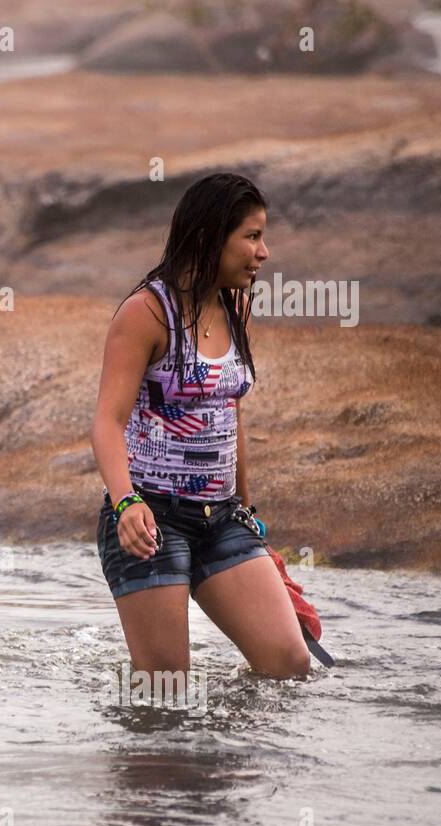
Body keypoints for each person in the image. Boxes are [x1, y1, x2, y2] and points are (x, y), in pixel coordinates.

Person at [90, 173, 311, 680]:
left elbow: (229, 411)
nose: (264, 253)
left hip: (222, 520)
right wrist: (126, 503)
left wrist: (248, 513)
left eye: (262, 237)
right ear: (213, 236)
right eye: (252, 237)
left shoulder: (235, 304)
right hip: (149, 519)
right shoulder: (146, 312)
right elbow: (107, 421)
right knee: (166, 694)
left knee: (290, 664)